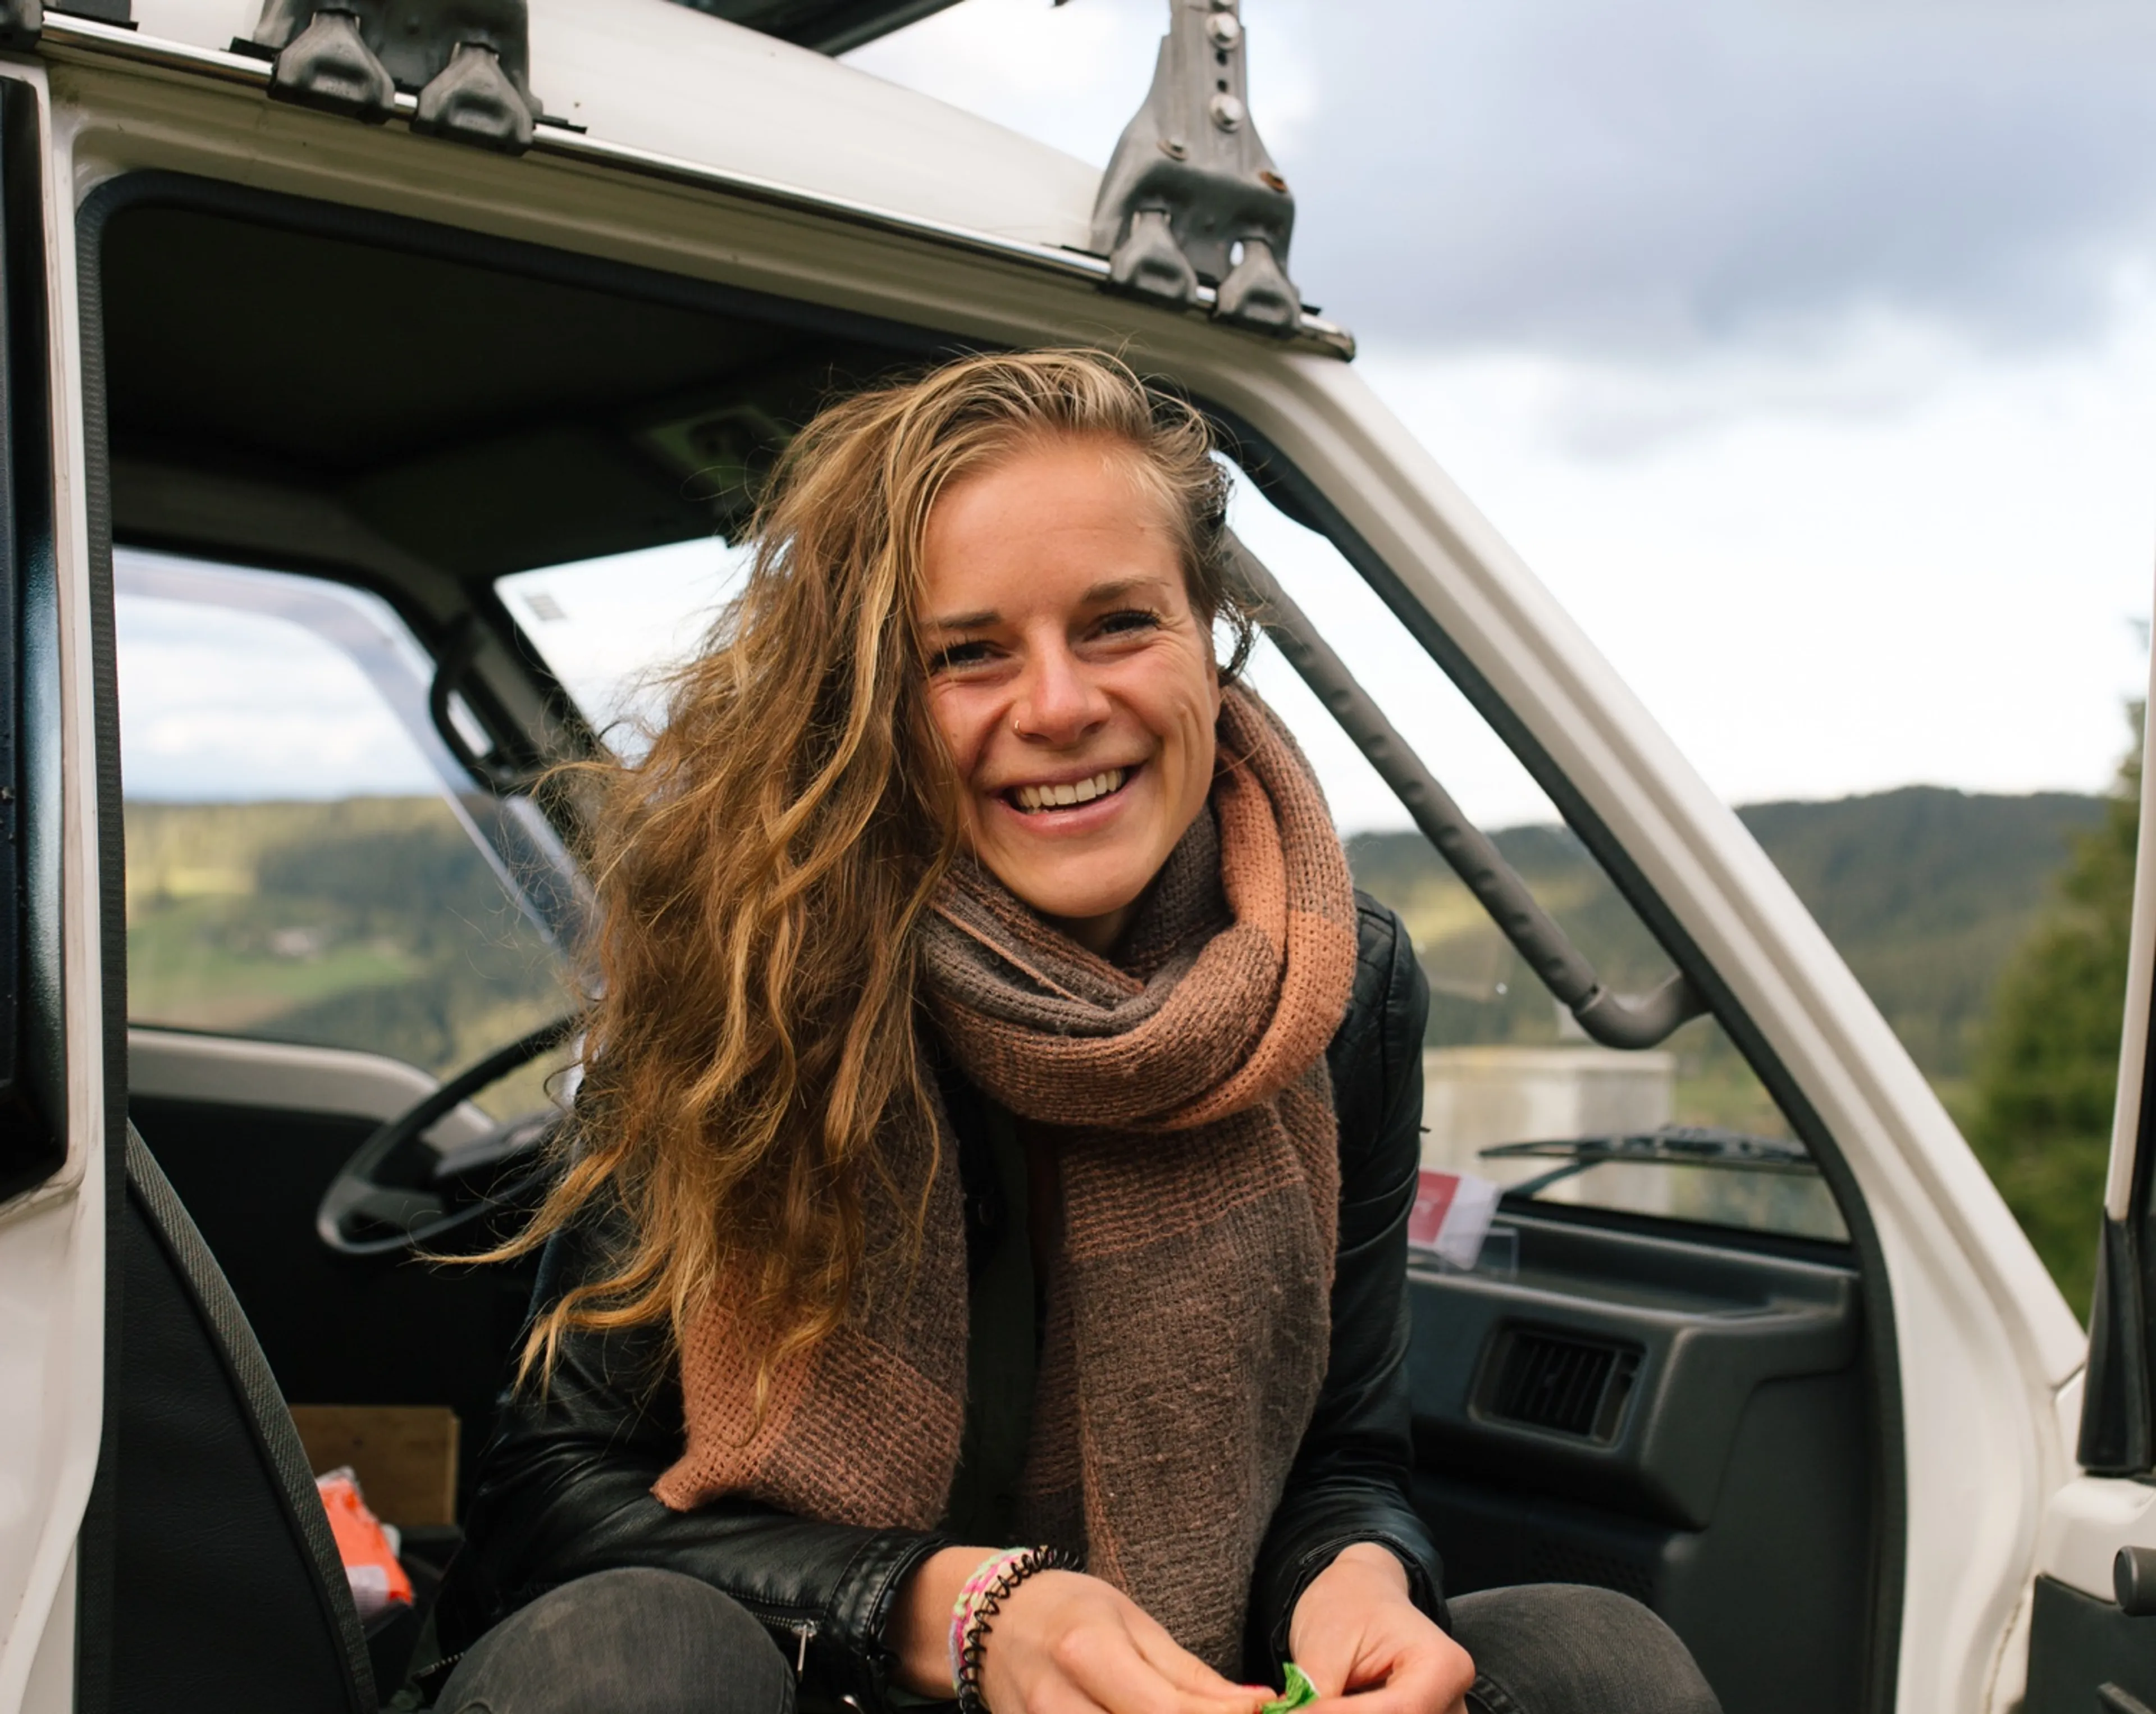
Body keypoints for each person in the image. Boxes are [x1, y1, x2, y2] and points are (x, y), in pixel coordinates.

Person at [431, 350, 1721, 1714]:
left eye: (1117, 624)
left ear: (1209, 636)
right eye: (968, 651)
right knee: (630, 1661)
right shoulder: (744, 958)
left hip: (1178, 1683)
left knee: (1600, 1661)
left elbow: (1342, 1450)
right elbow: (549, 1508)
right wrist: (963, 1609)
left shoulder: (1339, 981)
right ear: (871, 697)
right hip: (826, 1684)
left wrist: (1353, 1577)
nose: (1056, 705)